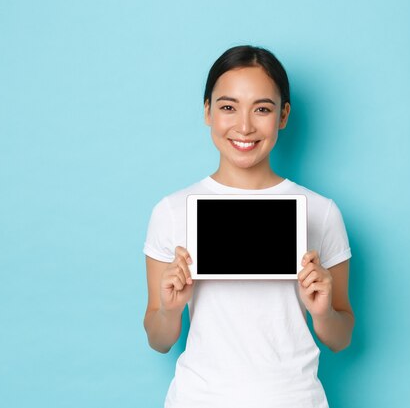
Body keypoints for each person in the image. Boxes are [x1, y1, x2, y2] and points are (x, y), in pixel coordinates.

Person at [143, 45, 354, 408]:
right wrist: (169, 309)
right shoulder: (171, 211)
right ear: (207, 111)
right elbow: (158, 339)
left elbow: (341, 337)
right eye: (228, 107)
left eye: (262, 109)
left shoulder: (321, 212)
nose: (244, 126)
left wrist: (322, 313)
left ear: (283, 115)